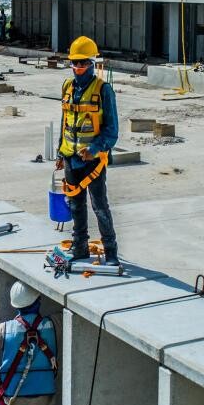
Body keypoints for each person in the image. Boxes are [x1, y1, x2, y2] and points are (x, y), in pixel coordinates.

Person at [55, 35, 120, 266]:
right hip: (71, 159)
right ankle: (80, 247)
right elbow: (65, 121)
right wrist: (60, 153)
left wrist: (94, 148)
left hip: (93, 161)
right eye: (75, 63)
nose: (78, 68)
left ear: (92, 63)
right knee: (76, 205)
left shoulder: (103, 90)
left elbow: (112, 131)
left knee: (99, 205)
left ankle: (111, 251)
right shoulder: (67, 87)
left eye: (83, 63)